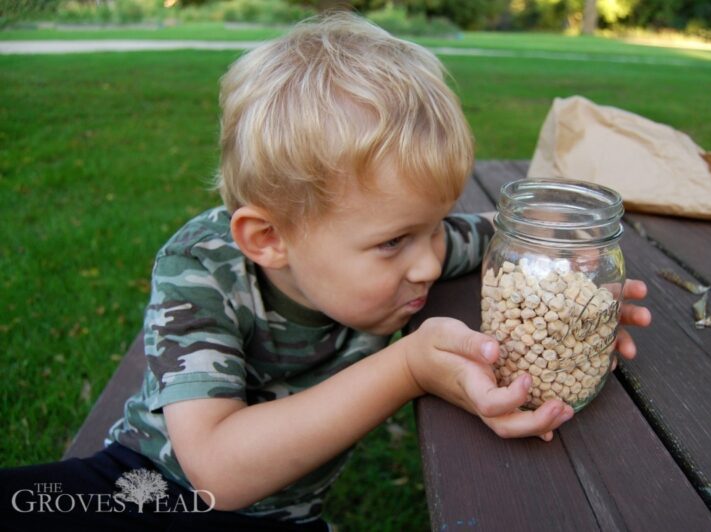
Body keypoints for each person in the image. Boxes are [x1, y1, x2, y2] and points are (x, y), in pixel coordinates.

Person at [0, 12, 651, 531]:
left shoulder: (400, 245)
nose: (430, 259)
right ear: (269, 239)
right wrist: (405, 369)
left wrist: (571, 298)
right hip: (141, 483)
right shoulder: (199, 270)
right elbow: (215, 472)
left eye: (434, 225)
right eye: (396, 240)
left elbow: (492, 239)